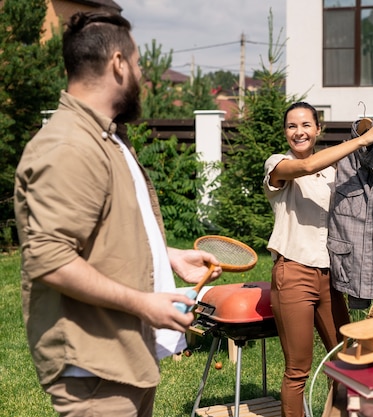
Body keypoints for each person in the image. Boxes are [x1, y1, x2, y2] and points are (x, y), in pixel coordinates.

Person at [13, 11, 221, 417]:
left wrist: (169, 256)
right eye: (140, 63)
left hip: (126, 357)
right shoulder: (68, 146)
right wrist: (145, 304)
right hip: (94, 369)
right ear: (119, 64)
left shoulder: (106, 138)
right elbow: (50, 260)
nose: (144, 74)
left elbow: (110, 227)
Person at [264, 102, 373, 417]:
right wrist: (361, 140)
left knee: (346, 356)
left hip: (330, 278)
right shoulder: (279, 164)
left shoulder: (331, 172)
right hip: (293, 274)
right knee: (298, 369)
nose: (299, 132)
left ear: (317, 129)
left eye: (306, 125)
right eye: (292, 126)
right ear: (285, 132)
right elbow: (305, 167)